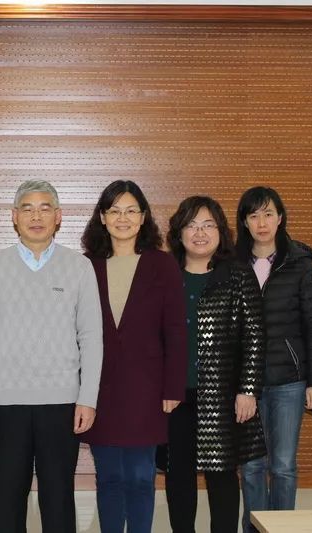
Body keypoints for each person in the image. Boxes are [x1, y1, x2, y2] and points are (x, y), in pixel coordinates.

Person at [0, 180, 103, 533]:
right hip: (5, 403)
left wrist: (87, 398)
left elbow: (91, 337)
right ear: (14, 217)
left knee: (58, 499)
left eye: (45, 208)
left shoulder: (79, 267)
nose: (36, 216)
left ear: (58, 217)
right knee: (8, 499)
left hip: (62, 402)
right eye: (27, 209)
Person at [80, 180, 186, 533]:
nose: (122, 218)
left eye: (130, 211)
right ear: (102, 217)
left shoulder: (162, 264)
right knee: (109, 477)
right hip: (100, 390)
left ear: (143, 217)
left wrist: (173, 387)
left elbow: (175, 330)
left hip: (148, 390)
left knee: (141, 477)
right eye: (114, 211)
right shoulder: (86, 266)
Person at [163, 195, 265, 533]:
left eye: (208, 225)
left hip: (222, 394)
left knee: (222, 474)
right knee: (179, 475)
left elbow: (255, 336)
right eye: (192, 225)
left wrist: (247, 390)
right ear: (178, 232)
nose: (200, 233)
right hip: (174, 395)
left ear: (221, 232)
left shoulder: (238, 275)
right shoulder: (165, 275)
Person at [235, 186, 312, 532]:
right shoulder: (232, 263)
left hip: (289, 380)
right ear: (244, 221)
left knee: (284, 465)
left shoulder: (299, 262)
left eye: (268, 214)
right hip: (246, 383)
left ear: (280, 218)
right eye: (254, 215)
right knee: (252, 466)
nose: (262, 223)